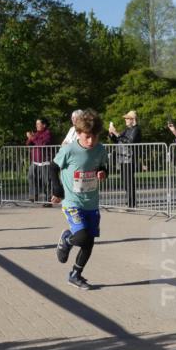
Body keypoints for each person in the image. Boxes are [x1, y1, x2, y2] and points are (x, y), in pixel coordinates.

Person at [50, 109, 109, 290]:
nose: (91, 141)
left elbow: (103, 166)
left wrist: (103, 173)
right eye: (87, 137)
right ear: (79, 133)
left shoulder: (100, 149)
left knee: (89, 242)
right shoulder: (69, 150)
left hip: (91, 202)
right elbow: (53, 167)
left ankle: (76, 275)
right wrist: (57, 189)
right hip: (72, 202)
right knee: (82, 237)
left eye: (94, 137)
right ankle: (67, 240)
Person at [108, 110, 143, 208]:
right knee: (124, 180)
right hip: (122, 157)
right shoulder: (126, 129)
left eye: (128, 118)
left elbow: (129, 142)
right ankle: (129, 201)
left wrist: (116, 133)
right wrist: (111, 134)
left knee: (129, 180)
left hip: (130, 157)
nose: (126, 120)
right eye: (126, 118)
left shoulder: (136, 129)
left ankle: (132, 203)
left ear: (133, 119)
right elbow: (117, 141)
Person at [26, 117, 54, 203]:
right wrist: (30, 138)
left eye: (38, 124)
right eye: (36, 124)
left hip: (45, 161)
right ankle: (33, 196)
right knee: (31, 176)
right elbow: (28, 144)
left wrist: (33, 138)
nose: (36, 125)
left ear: (44, 125)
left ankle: (48, 199)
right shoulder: (36, 134)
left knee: (47, 181)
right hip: (35, 161)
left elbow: (42, 144)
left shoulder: (47, 133)